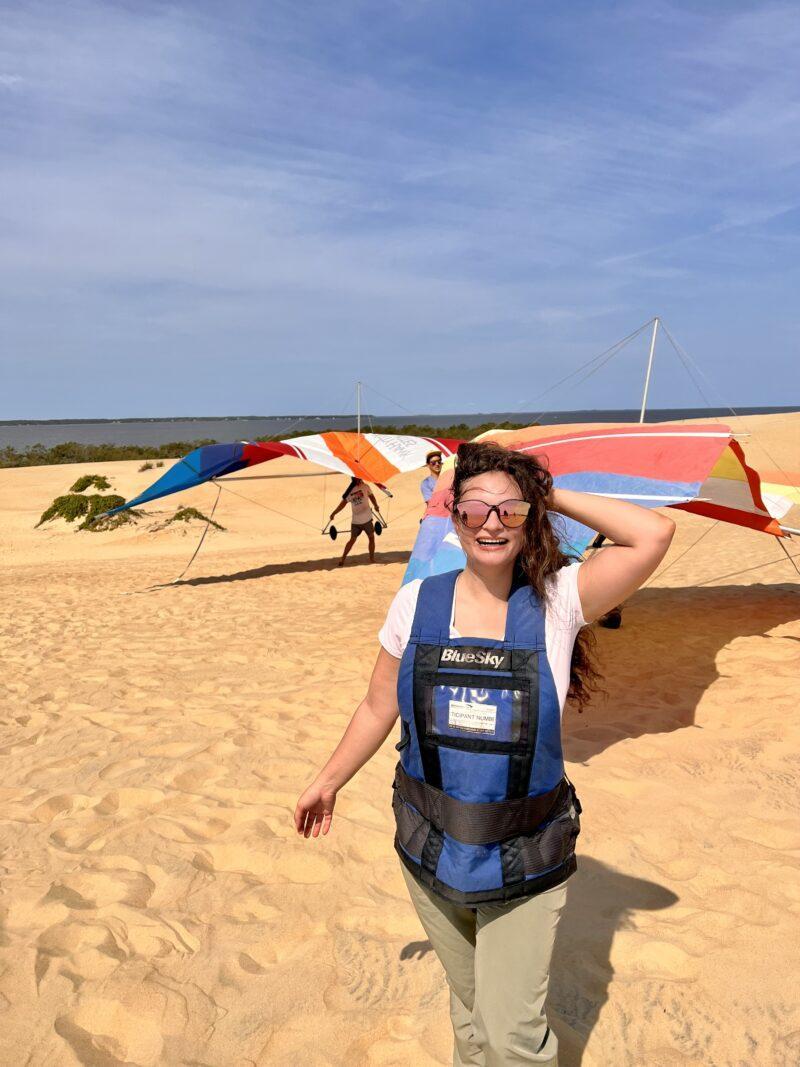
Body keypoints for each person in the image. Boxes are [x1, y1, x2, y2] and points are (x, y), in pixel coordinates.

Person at [296, 441, 675, 1065]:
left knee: (513, 1037)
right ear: (454, 518)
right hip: (430, 844)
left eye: (510, 511)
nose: (492, 523)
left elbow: (652, 535)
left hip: (524, 856)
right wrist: (327, 780)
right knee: (471, 1017)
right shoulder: (417, 602)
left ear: (531, 518)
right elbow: (376, 706)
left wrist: (539, 490)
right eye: (475, 509)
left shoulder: (559, 599)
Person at [328, 476, 379, 567]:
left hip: (357, 522)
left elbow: (371, 497)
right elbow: (372, 497)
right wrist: (376, 506)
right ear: (358, 480)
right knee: (370, 538)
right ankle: (371, 559)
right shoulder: (364, 487)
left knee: (353, 540)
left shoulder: (353, 490)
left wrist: (333, 513)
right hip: (364, 521)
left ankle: (343, 559)